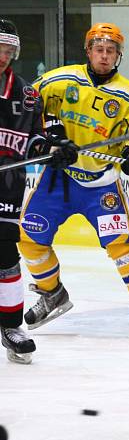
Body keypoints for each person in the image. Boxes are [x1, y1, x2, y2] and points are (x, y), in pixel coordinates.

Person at [18, 22, 129, 340]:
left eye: (111, 51)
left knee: (121, 245)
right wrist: (52, 136)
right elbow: (30, 104)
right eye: (99, 50)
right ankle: (52, 293)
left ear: (118, 56)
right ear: (89, 51)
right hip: (59, 180)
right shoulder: (61, 80)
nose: (104, 56)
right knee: (29, 236)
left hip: (100, 185)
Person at [0, 19, 51, 363]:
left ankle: (11, 326)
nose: (3, 56)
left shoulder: (27, 94)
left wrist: (49, 148)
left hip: (7, 185)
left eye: (8, 50)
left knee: (5, 253)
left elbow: (36, 138)